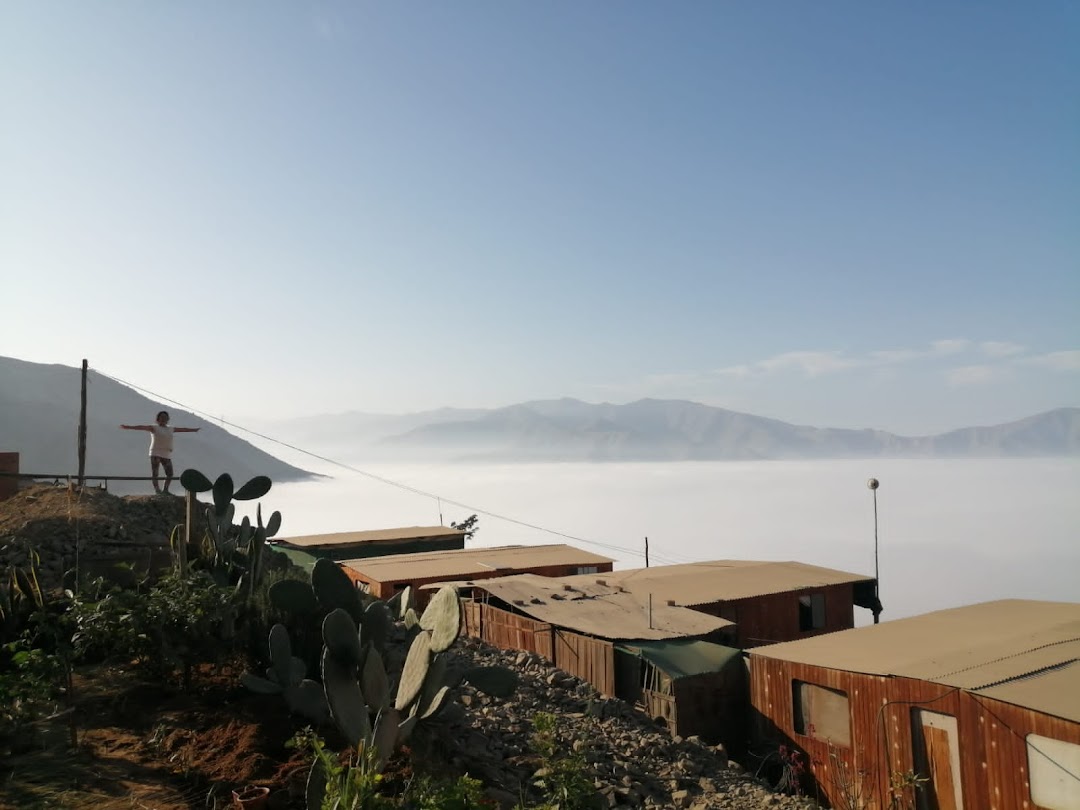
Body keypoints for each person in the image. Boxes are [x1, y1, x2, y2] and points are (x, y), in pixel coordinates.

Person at [120, 411, 200, 494]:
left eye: (165, 417)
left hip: (166, 453)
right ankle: (157, 490)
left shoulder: (171, 428)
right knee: (155, 473)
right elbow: (141, 427)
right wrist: (128, 427)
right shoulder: (154, 427)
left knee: (170, 473)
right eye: (161, 417)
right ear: (158, 419)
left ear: (167, 419)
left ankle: (165, 490)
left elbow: (183, 429)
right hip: (155, 452)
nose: (163, 419)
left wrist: (194, 430)